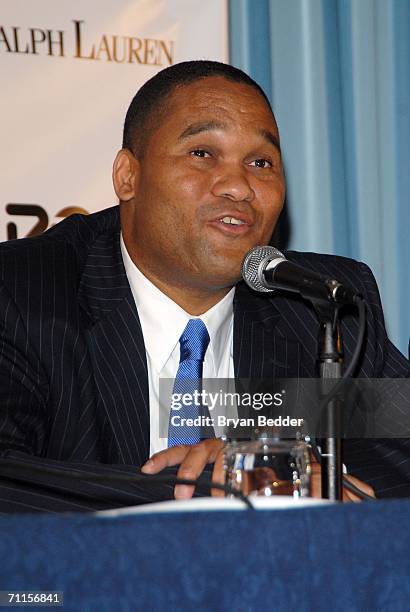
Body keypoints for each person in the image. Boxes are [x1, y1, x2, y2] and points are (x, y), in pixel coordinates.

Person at [0, 61, 408, 512]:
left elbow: (400, 451)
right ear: (127, 176)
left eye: (261, 162)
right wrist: (238, 482)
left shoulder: (321, 305)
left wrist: (299, 471)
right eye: (202, 153)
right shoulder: (23, 292)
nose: (238, 186)